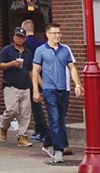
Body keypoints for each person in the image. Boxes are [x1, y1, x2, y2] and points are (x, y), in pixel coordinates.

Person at [31, 23, 81, 164]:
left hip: (63, 89)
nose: (57, 36)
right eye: (54, 33)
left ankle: (47, 143)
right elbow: (35, 70)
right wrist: (36, 90)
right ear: (47, 34)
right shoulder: (41, 50)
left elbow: (72, 68)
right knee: (54, 119)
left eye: (59, 33)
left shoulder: (65, 50)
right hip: (49, 89)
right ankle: (58, 150)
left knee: (60, 120)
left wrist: (77, 84)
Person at [0, 27, 34, 146]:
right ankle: (3, 127)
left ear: (24, 39)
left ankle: (22, 137)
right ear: (13, 37)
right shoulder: (7, 50)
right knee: (12, 110)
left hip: (25, 86)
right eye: (17, 36)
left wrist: (34, 85)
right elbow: (0, 65)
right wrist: (12, 63)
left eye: (21, 37)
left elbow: (30, 70)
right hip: (11, 85)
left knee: (25, 113)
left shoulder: (27, 52)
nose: (19, 39)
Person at [21, 19, 49, 144]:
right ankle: (39, 130)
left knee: (36, 106)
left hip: (33, 77)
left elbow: (31, 65)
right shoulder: (41, 43)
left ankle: (42, 131)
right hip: (45, 75)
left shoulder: (25, 44)